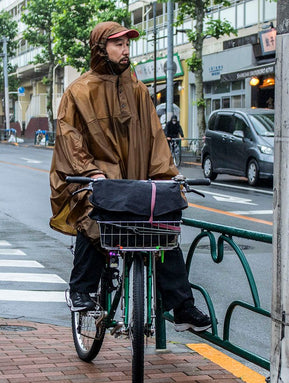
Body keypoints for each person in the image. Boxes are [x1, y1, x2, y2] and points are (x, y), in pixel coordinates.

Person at [49, 21, 211, 332]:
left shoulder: (138, 90)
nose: (125, 50)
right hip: (98, 179)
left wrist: (166, 175)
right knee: (94, 218)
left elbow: (154, 136)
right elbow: (69, 137)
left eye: (127, 44)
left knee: (164, 224)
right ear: (101, 49)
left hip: (137, 179)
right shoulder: (79, 91)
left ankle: (182, 307)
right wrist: (90, 171)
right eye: (117, 44)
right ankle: (80, 290)